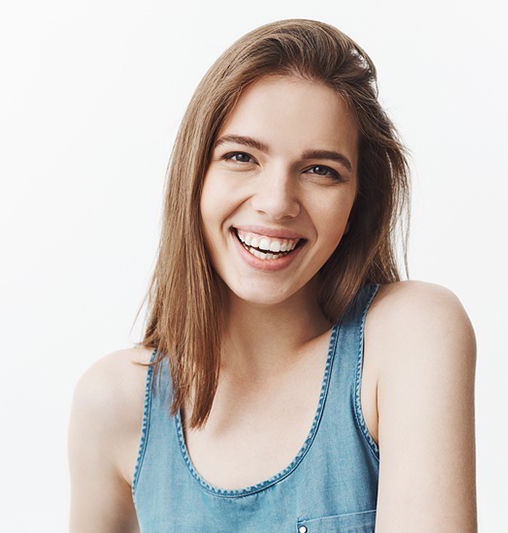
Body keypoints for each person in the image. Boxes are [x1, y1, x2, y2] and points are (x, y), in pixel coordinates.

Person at [69, 19, 477, 532]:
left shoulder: (410, 335)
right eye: (241, 156)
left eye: (320, 170)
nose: (276, 203)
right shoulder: (114, 403)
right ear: (194, 177)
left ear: (356, 204)